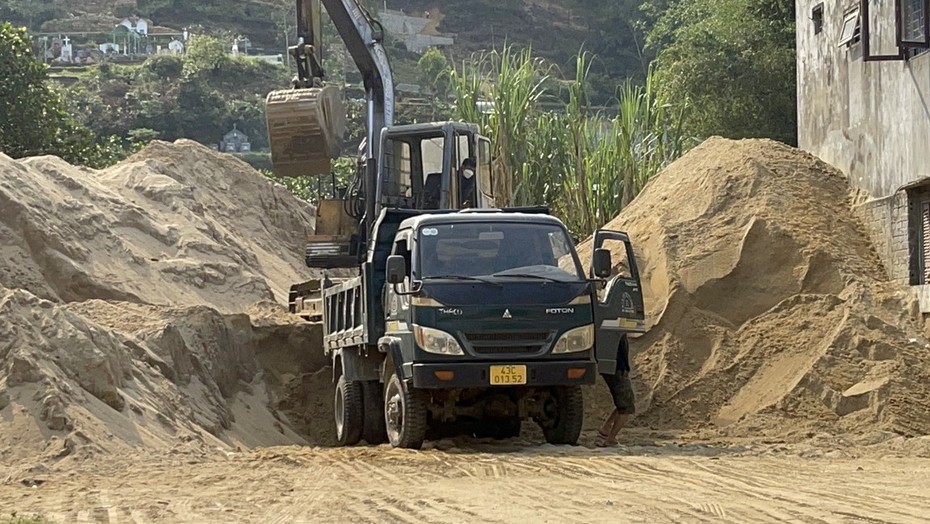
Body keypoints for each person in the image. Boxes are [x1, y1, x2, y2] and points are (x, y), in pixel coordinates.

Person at [596, 334, 635, 447]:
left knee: (623, 403)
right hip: (617, 368)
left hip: (616, 367)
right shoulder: (613, 329)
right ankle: (611, 439)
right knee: (627, 407)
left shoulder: (609, 329)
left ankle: (605, 430)